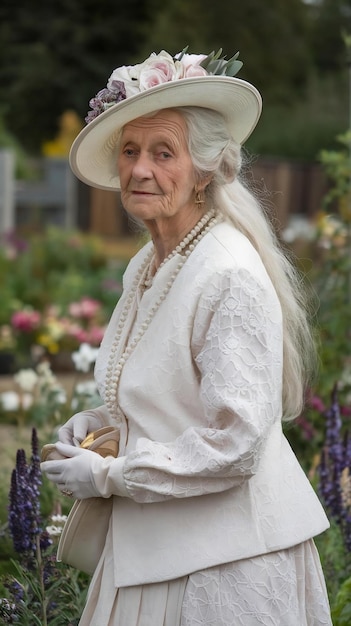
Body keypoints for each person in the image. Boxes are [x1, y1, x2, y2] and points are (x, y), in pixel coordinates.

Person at [41, 49, 332, 625]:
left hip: (225, 566)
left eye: (162, 153)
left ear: (205, 172)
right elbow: (174, 393)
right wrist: (105, 423)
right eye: (130, 151)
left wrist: (108, 474)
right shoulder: (149, 266)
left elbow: (237, 442)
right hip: (154, 551)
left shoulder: (228, 272)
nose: (139, 169)